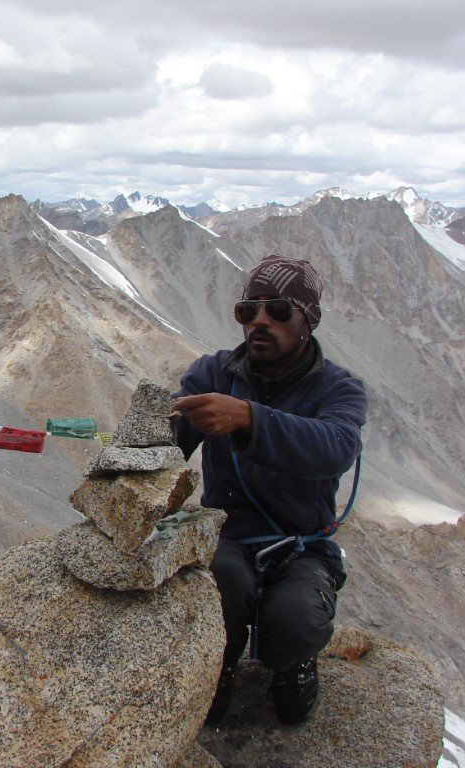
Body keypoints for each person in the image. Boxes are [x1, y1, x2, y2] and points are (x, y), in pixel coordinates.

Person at [171, 254, 367, 726]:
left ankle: (293, 660)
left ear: (307, 320)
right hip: (229, 535)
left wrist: (247, 418)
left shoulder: (339, 389)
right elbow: (168, 443)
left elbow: (336, 447)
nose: (259, 321)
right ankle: (217, 666)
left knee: (297, 618)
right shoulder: (212, 374)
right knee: (222, 584)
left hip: (304, 544)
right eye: (248, 310)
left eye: (277, 311)